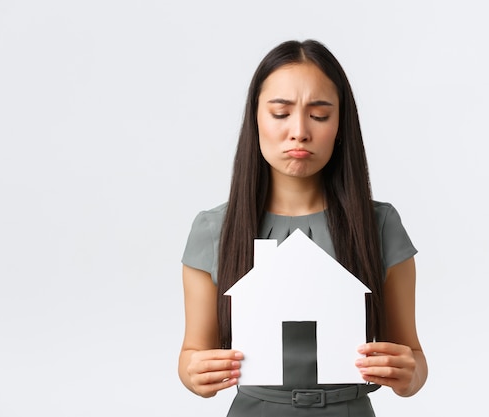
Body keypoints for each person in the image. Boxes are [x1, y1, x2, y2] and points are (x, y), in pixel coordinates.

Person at [179, 39, 427, 416]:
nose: (299, 131)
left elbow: (414, 359)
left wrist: (408, 375)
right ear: (256, 118)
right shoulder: (215, 229)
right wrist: (194, 373)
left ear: (341, 124)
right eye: (280, 113)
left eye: (320, 115)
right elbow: (192, 354)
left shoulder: (379, 225)